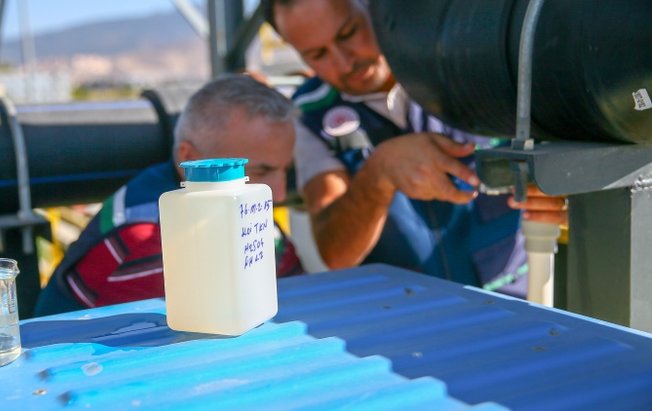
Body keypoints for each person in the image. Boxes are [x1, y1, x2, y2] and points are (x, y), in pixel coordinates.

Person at [264, 0, 567, 296]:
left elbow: (571, 161)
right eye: (317, 54)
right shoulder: (307, 115)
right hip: (409, 318)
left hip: (516, 298)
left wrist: (563, 195)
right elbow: (336, 253)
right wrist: (377, 175)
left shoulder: (475, 63)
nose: (344, 62)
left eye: (348, 33)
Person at [34, 74, 304, 317]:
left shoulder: (223, 204)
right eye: (259, 171)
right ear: (189, 157)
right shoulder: (150, 241)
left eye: (285, 171)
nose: (279, 194)